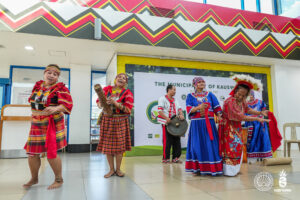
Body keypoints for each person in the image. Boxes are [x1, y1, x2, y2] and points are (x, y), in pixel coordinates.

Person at [23, 64, 73, 189]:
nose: (51, 75)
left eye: (55, 74)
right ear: (44, 73)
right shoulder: (38, 86)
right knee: (32, 153)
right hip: (36, 122)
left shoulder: (61, 88)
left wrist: (56, 108)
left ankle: (59, 179)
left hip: (52, 122)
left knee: (52, 152)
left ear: (57, 77)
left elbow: (67, 105)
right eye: (49, 73)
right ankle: (34, 178)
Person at [219, 75, 270, 176]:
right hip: (228, 128)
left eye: (243, 95)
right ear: (235, 90)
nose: (241, 97)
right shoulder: (230, 102)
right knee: (231, 148)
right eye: (239, 94)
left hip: (236, 128)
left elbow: (247, 110)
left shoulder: (241, 101)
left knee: (238, 146)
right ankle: (228, 171)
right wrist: (257, 118)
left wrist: (260, 113)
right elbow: (241, 117)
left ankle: (234, 170)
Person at [96, 73, 133, 178]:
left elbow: (128, 109)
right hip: (107, 120)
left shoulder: (127, 93)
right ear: (115, 79)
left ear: (126, 83)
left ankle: (118, 170)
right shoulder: (107, 90)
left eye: (124, 78)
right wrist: (101, 104)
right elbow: (99, 101)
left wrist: (115, 103)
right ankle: (111, 170)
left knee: (119, 147)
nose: (121, 79)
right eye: (119, 77)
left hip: (120, 120)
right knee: (108, 146)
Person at [185, 77, 223, 176]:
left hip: (209, 124)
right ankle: (197, 168)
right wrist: (199, 107)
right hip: (196, 125)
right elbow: (189, 109)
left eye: (203, 82)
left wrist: (219, 116)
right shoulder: (190, 96)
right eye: (199, 82)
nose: (202, 83)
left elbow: (217, 108)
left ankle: (212, 168)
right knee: (196, 146)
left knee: (210, 145)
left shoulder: (210, 95)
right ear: (195, 84)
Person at [157, 85, 185, 163]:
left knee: (176, 139)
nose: (175, 91)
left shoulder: (175, 100)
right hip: (166, 122)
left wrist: (181, 114)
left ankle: (175, 158)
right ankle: (165, 158)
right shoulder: (162, 99)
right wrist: (166, 118)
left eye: (175, 90)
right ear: (169, 90)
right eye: (174, 90)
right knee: (167, 140)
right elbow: (159, 111)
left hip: (175, 122)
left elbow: (179, 109)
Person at [245, 90, 272, 163]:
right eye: (249, 95)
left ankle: (263, 156)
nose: (250, 96)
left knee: (262, 139)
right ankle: (252, 157)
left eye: (251, 95)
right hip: (250, 123)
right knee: (251, 140)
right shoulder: (245, 104)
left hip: (260, 124)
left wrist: (262, 118)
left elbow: (263, 111)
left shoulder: (260, 102)